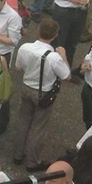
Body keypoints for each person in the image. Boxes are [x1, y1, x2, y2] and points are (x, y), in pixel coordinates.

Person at [13, 18, 70, 171]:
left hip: (26, 87)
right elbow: (66, 76)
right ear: (55, 35)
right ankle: (32, 162)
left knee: (23, 120)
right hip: (43, 93)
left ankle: (18, 155)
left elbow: (18, 67)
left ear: (38, 30)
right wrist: (63, 55)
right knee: (38, 127)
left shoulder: (25, 47)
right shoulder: (54, 57)